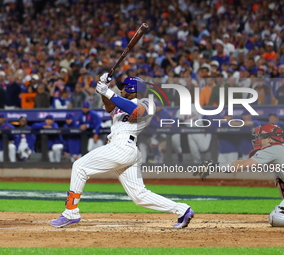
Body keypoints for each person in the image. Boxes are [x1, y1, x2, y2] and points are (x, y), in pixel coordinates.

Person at [50, 74, 194, 229]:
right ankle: (182, 210)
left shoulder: (147, 102)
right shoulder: (119, 105)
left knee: (79, 166)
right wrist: (103, 89)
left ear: (133, 88)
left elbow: (136, 110)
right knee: (139, 196)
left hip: (123, 146)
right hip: (122, 148)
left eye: (124, 87)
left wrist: (108, 92)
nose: (122, 89)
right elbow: (109, 106)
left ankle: (71, 212)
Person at [196, 124, 284, 227]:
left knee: (277, 218)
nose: (258, 140)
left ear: (270, 138)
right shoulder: (281, 147)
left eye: (260, 137)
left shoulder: (273, 149)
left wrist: (213, 166)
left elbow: (242, 165)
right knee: (279, 175)